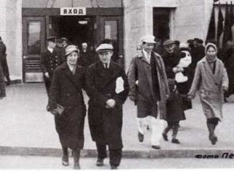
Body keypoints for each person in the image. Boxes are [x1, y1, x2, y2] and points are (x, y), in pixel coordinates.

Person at [86, 41, 129, 170]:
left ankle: (114, 162)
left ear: (111, 54)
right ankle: (101, 155)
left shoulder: (118, 69)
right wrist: (105, 101)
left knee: (114, 134)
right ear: (98, 55)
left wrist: (115, 101)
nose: (104, 56)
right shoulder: (92, 69)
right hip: (97, 105)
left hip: (114, 106)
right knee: (99, 132)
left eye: (106, 53)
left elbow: (125, 88)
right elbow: (90, 89)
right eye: (101, 54)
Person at [127, 35, 169, 149]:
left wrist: (166, 90)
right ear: (143, 45)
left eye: (152, 45)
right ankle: (141, 130)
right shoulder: (136, 59)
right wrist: (132, 92)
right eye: (148, 45)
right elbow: (131, 76)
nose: (150, 47)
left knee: (156, 118)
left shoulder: (158, 58)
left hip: (156, 91)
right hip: (142, 92)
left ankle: (155, 141)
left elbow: (163, 75)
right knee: (142, 117)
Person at [48, 45, 86, 169]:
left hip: (77, 107)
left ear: (78, 56)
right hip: (62, 107)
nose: (73, 58)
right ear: (66, 57)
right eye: (70, 55)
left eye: (75, 55)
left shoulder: (81, 70)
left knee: (77, 133)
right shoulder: (59, 70)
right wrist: (52, 105)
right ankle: (65, 153)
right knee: (63, 131)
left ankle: (76, 161)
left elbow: (88, 86)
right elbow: (53, 89)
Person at [188, 42, 229, 145]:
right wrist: (192, 92)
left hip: (217, 94)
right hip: (206, 93)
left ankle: (211, 132)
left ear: (216, 51)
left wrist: (225, 85)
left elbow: (224, 75)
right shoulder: (200, 64)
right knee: (210, 115)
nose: (211, 53)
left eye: (213, 51)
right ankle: (212, 133)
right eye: (209, 51)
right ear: (205, 52)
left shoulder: (220, 63)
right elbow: (196, 79)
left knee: (216, 117)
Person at [41, 36, 64, 102]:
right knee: (50, 89)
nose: (54, 44)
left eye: (55, 43)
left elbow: (62, 62)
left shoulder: (58, 51)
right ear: (49, 43)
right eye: (53, 43)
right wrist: (45, 72)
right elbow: (42, 63)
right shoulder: (44, 52)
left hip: (57, 74)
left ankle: (57, 103)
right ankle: (51, 103)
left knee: (57, 89)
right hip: (49, 74)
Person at [163, 79, 186, 144]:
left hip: (171, 113)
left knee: (171, 125)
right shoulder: (173, 94)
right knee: (175, 125)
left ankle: (166, 133)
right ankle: (173, 137)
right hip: (176, 112)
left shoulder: (168, 94)